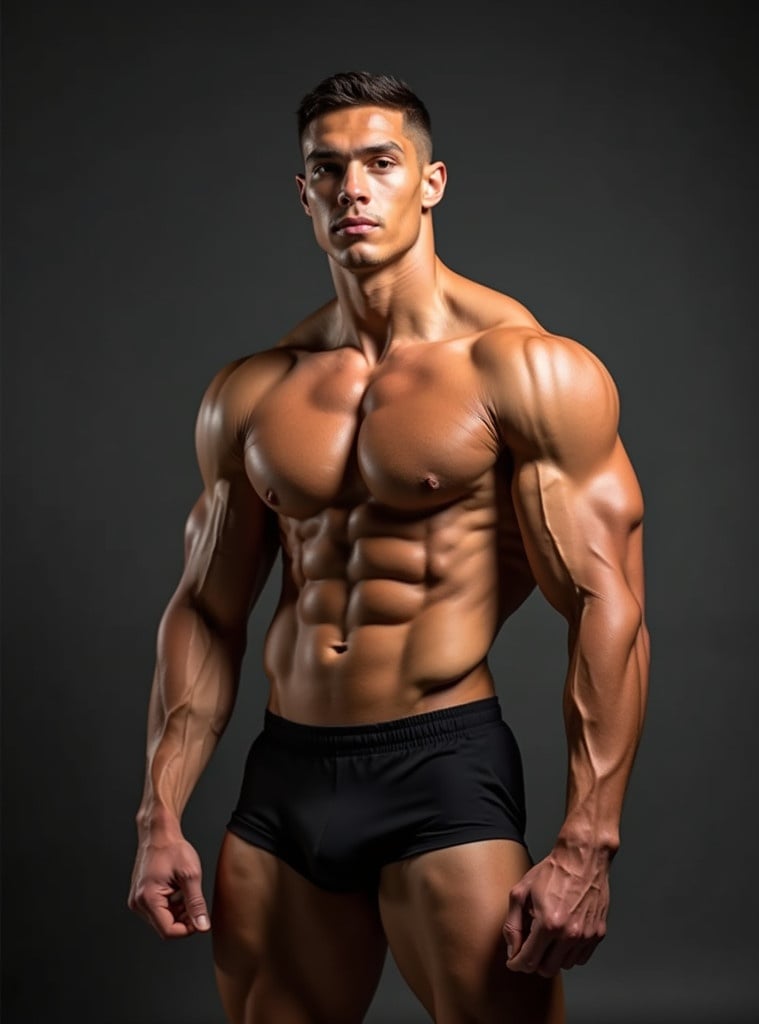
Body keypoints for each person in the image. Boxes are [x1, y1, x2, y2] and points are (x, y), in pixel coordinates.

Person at [128, 70, 650, 1024]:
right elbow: (208, 610)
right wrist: (159, 812)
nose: (352, 189)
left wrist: (589, 840)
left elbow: (607, 602)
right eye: (327, 170)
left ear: (431, 182)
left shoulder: (522, 367)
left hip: (438, 765)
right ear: (304, 193)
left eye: (380, 162)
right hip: (285, 773)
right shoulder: (251, 392)